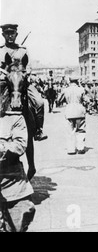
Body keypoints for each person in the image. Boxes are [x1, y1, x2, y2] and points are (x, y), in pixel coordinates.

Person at [1, 24, 47, 142]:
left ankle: (38, 130)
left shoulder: (23, 50)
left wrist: (25, 74)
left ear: (16, 35)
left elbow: (29, 66)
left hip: (21, 82)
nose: (10, 36)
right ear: (3, 35)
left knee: (39, 102)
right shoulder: (0, 50)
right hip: (4, 81)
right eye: (7, 33)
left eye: (12, 33)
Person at [0, 83, 35, 232]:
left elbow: (20, 145)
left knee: (18, 222)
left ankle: (38, 128)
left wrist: (2, 148)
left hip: (11, 183)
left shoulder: (14, 118)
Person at [57, 76, 87, 155]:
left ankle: (71, 149)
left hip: (69, 111)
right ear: (77, 81)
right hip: (80, 111)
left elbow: (58, 100)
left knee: (70, 131)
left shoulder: (65, 90)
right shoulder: (81, 89)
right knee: (81, 129)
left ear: (70, 81)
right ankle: (80, 148)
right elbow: (86, 100)